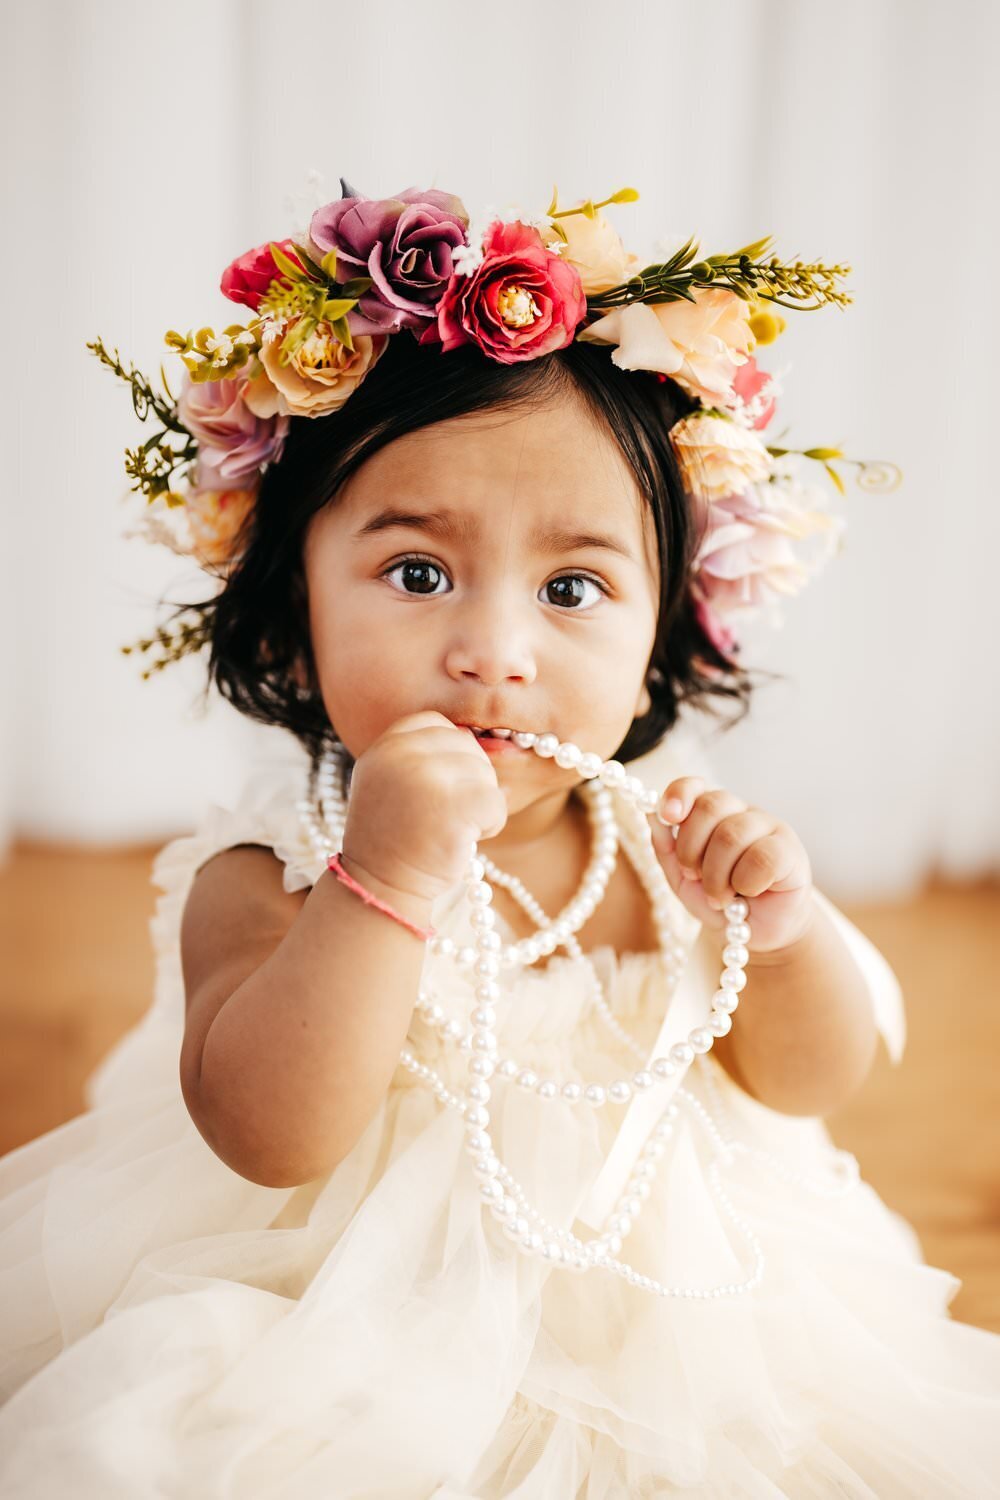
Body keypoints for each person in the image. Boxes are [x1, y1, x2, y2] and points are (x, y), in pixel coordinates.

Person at [1, 178, 998, 1498]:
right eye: (417, 574)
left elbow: (807, 1081)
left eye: (573, 587)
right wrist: (386, 879)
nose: (494, 654)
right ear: (293, 624)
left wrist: (782, 926)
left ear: (662, 644)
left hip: (683, 1315)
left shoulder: (670, 846)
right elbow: (270, 1134)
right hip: (345, 1319)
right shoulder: (269, 871)